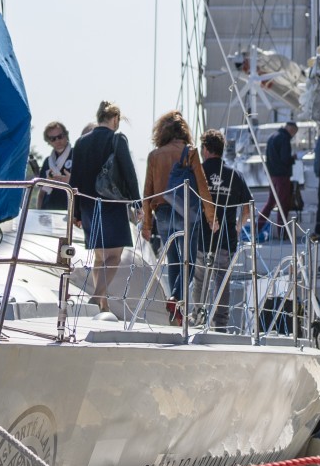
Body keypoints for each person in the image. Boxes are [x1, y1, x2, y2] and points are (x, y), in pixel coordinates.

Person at [140, 111, 214, 324]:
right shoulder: (190, 152)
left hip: (162, 212)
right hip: (188, 212)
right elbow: (202, 186)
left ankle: (176, 313)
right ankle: (176, 298)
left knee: (173, 260)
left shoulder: (155, 155)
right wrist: (211, 215)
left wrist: (147, 224)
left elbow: (148, 192)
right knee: (188, 260)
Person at [70, 101, 138, 312]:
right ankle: (97, 296)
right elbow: (128, 172)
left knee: (100, 257)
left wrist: (75, 212)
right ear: (115, 119)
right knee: (114, 256)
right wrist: (137, 202)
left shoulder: (81, 142)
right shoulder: (117, 139)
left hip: (89, 206)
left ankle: (103, 304)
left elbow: (75, 180)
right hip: (112, 205)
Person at [195, 130, 252, 328]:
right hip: (226, 238)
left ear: (205, 149)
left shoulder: (199, 173)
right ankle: (220, 323)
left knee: (200, 279)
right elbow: (247, 209)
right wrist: (237, 228)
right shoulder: (235, 175)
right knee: (222, 280)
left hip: (202, 237)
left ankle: (197, 317)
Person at [254, 121, 299, 241]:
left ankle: (257, 228)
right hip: (282, 177)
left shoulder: (272, 137)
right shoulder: (284, 139)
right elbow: (285, 159)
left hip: (272, 176)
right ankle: (282, 233)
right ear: (291, 129)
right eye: (294, 132)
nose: (293, 135)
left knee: (270, 203)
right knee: (283, 205)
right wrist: (293, 158)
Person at [36, 121, 72, 210]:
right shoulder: (47, 162)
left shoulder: (78, 155)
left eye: (60, 136)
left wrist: (72, 180)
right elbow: (42, 192)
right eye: (53, 139)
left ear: (66, 135)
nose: (57, 141)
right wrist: (39, 212)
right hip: (48, 210)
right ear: (49, 141)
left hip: (70, 211)